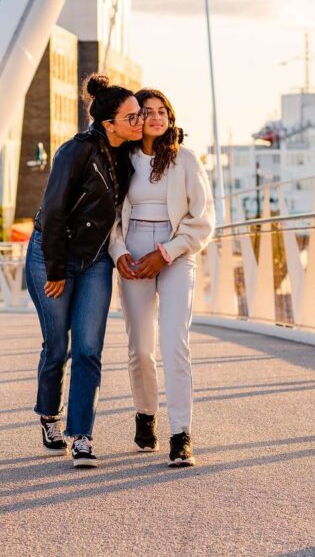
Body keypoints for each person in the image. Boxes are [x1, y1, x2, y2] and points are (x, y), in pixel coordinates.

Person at [26, 73, 143, 467]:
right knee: (58, 346)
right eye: (132, 117)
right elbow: (55, 212)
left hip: (95, 260)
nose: (139, 122)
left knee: (89, 348)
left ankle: (82, 437)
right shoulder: (73, 152)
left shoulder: (126, 156)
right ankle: (48, 414)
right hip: (51, 256)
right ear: (108, 123)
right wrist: (56, 270)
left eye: (140, 115)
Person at [110, 88, 214, 467]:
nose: (155, 117)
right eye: (147, 111)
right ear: (137, 119)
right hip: (133, 252)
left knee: (175, 343)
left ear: (169, 117)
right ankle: (145, 413)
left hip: (175, 253)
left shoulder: (186, 162)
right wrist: (119, 252)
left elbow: (203, 221)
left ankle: (181, 434)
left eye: (161, 111)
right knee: (140, 348)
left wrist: (166, 253)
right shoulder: (122, 161)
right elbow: (111, 219)